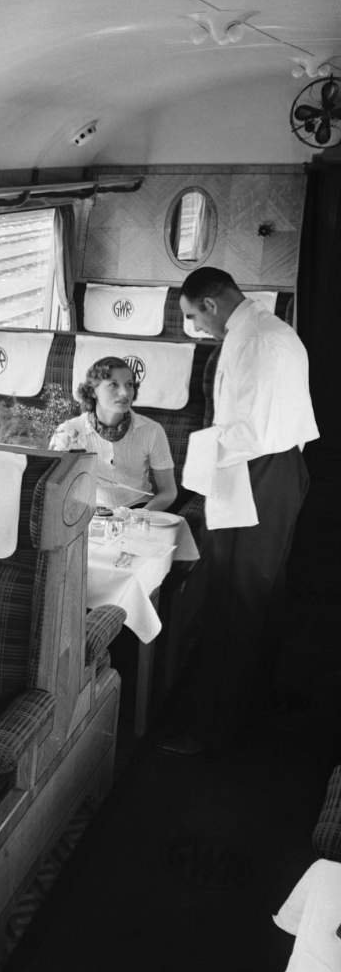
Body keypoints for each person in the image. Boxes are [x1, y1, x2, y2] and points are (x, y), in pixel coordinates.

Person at [162, 267, 318, 755]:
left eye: (193, 317)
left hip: (258, 478)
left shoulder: (258, 343)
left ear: (211, 304)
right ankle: (253, 707)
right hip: (260, 473)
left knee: (236, 601)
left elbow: (251, 434)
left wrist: (191, 456)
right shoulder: (260, 329)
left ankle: (213, 732)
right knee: (258, 598)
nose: (195, 328)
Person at [50, 356, 177, 512]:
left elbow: (168, 492)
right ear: (93, 390)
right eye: (113, 385)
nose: (124, 393)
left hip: (140, 510)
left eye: (129, 384)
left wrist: (137, 516)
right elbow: (55, 490)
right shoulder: (68, 432)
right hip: (87, 512)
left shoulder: (152, 431)